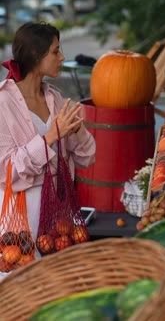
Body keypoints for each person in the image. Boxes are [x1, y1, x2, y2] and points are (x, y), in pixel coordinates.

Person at [0, 22, 95, 256]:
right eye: (55, 51)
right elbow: (6, 170)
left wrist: (76, 130)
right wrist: (51, 136)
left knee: (57, 284)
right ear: (35, 54)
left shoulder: (55, 98)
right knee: (22, 284)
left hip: (59, 218)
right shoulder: (3, 103)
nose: (62, 57)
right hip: (21, 217)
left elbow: (87, 158)